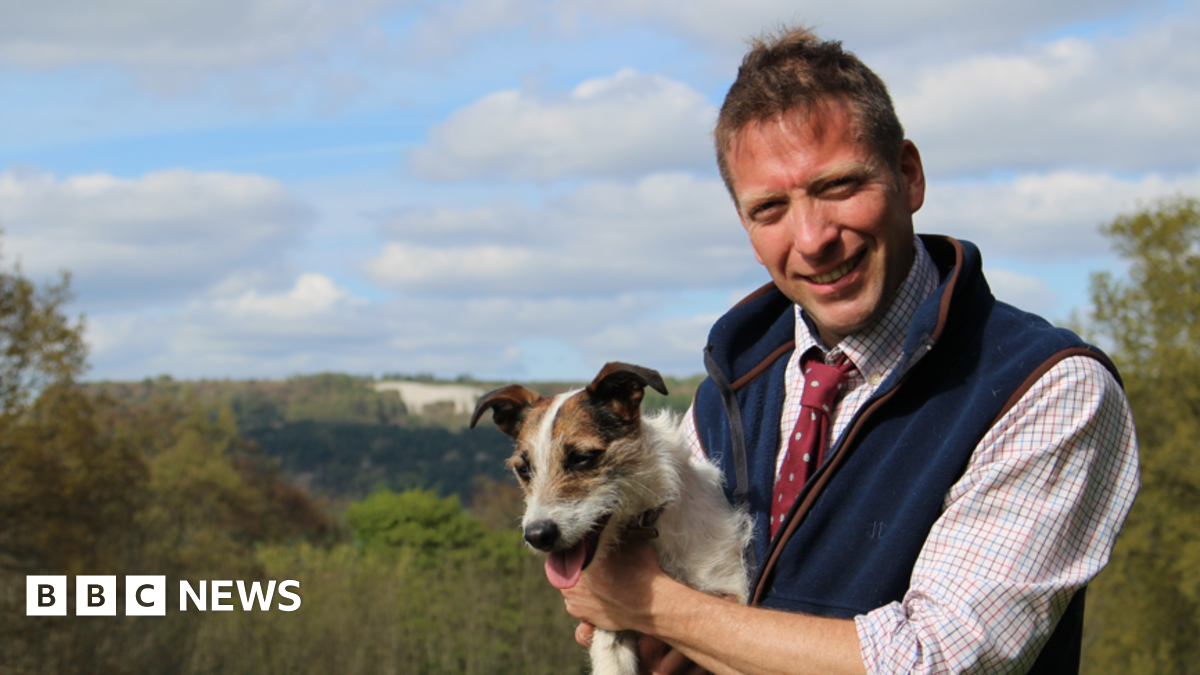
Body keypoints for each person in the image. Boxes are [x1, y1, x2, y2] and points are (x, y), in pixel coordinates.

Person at [559, 25, 1140, 675]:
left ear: (909, 176)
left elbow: (934, 661)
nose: (812, 238)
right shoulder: (729, 387)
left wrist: (651, 605)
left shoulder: (1047, 388)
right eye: (770, 208)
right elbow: (688, 604)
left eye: (838, 187)